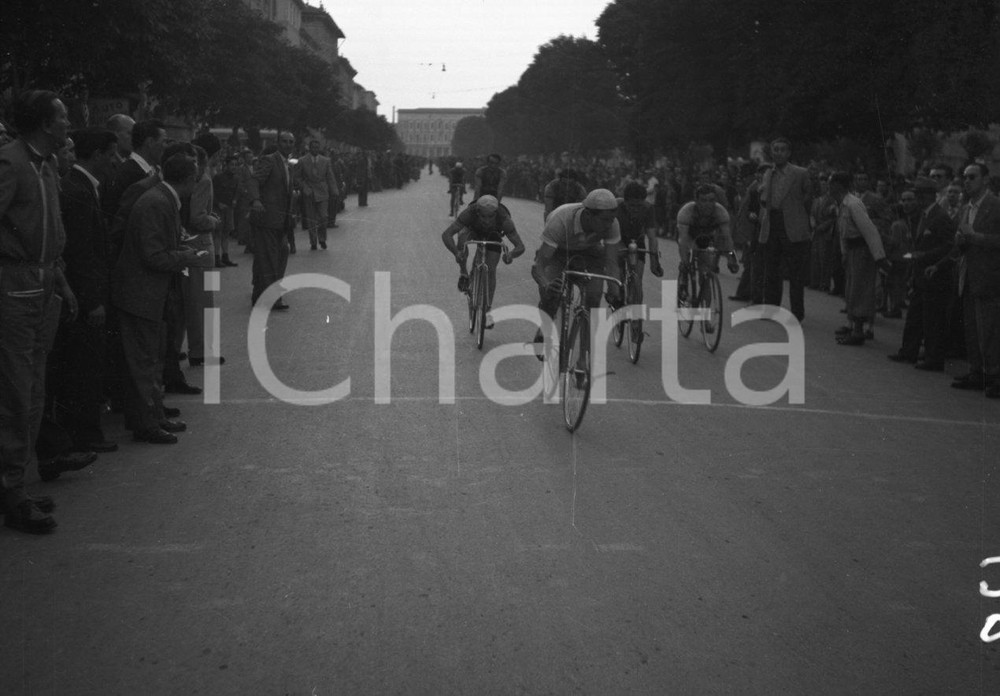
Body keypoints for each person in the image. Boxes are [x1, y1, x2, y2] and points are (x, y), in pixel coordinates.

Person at [0, 90, 78, 533]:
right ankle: (13, 491)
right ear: (46, 124)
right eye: (63, 116)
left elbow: (53, 235)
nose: (69, 123)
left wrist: (61, 283)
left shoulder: (45, 166)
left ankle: (17, 483)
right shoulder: (11, 162)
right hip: (14, 288)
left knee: (32, 392)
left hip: (43, 283)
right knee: (16, 394)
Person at [112, 151, 203, 444]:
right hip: (142, 294)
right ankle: (146, 423)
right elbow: (153, 255)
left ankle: (154, 417)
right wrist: (186, 256)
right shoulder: (157, 203)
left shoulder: (161, 199)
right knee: (143, 360)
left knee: (150, 358)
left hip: (150, 293)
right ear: (189, 180)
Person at [53, 127, 119, 454]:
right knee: (84, 367)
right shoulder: (78, 191)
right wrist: (92, 300)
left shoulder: (83, 187)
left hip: (85, 294)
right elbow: (80, 253)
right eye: (111, 155)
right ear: (96, 156)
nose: (114, 162)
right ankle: (84, 434)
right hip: (85, 298)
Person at [530, 188, 622, 365]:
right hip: (558, 253)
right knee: (552, 291)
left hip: (591, 254)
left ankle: (582, 360)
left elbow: (611, 262)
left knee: (593, 300)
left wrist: (614, 290)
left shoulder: (612, 223)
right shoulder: (561, 219)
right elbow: (539, 265)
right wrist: (546, 285)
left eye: (612, 219)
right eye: (604, 220)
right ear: (588, 215)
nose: (609, 224)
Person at [934, 163, 1000, 395]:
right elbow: (961, 240)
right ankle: (977, 371)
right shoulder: (966, 207)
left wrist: (977, 237)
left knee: (989, 329)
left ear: (985, 180)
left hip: (989, 276)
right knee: (972, 328)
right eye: (964, 177)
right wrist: (961, 240)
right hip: (968, 274)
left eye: (972, 177)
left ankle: (993, 375)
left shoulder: (995, 205)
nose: (967, 181)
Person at [888, 177, 956, 370]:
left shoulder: (940, 217)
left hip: (934, 275)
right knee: (915, 316)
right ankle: (908, 351)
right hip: (921, 275)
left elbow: (950, 246)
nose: (917, 199)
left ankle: (934, 359)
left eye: (919, 195)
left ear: (928, 196)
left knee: (932, 319)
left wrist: (926, 255)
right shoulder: (925, 215)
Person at [441, 195, 525, 329]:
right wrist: (457, 253)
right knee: (462, 239)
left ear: (496, 213)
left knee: (491, 270)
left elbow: (520, 246)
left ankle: (487, 310)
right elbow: (446, 234)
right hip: (472, 230)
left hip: (494, 234)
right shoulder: (469, 213)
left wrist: (510, 255)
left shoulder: (504, 219)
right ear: (477, 212)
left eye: (490, 217)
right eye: (483, 216)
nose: (487, 220)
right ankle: (464, 273)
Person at [827, 172, 891, 346]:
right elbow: (843, 233)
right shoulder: (842, 204)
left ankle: (859, 331)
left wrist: (879, 257)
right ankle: (854, 326)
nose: (828, 187)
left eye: (831, 183)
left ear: (839, 185)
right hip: (853, 251)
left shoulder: (854, 204)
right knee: (852, 289)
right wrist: (844, 253)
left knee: (860, 290)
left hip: (863, 251)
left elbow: (870, 231)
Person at [758, 137, 812, 321]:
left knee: (796, 273)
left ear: (789, 153)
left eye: (782, 150)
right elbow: (764, 197)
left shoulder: (800, 173)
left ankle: (797, 312)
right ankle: (771, 309)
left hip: (793, 225)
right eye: (775, 149)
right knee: (771, 270)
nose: (778, 153)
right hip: (772, 223)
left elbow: (808, 196)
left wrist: (798, 215)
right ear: (771, 152)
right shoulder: (768, 173)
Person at [248, 131, 295, 309]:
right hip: (266, 219)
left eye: (291, 142)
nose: (288, 145)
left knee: (278, 255)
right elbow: (253, 181)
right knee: (270, 259)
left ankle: (259, 295)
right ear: (278, 142)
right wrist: (256, 200)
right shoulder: (269, 160)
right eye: (284, 141)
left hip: (281, 221)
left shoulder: (289, 166)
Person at [675, 185, 741, 299]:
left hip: (707, 237)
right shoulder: (686, 211)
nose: (708, 204)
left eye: (711, 200)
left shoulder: (720, 212)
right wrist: (685, 260)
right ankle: (683, 280)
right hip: (688, 236)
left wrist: (732, 258)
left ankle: (704, 294)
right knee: (686, 260)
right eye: (703, 200)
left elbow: (727, 239)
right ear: (696, 201)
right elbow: (683, 240)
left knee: (705, 267)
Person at [612, 182, 664, 307]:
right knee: (618, 270)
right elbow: (610, 234)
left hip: (637, 240)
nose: (635, 209)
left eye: (638, 205)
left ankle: (636, 316)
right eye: (632, 205)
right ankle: (617, 294)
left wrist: (654, 262)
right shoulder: (615, 207)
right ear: (625, 201)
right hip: (618, 238)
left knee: (637, 280)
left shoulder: (648, 208)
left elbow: (652, 237)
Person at [295, 140, 338, 250]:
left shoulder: (325, 161)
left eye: (317, 147)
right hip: (309, 193)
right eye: (313, 147)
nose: (315, 149)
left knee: (324, 217)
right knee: (311, 218)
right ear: (309, 148)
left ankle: (322, 239)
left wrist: (334, 191)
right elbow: (297, 177)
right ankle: (313, 242)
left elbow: (330, 177)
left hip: (323, 192)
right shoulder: (302, 161)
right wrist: (305, 188)